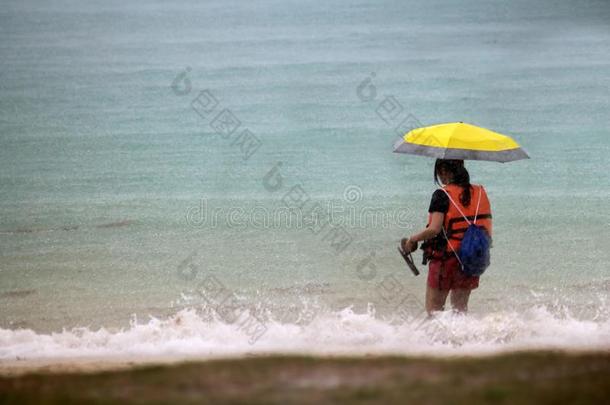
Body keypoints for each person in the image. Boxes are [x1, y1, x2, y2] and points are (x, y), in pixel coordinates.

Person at [401, 159, 492, 314]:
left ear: (443, 170)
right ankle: (462, 338)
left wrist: (412, 239)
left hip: (445, 260)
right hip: (470, 261)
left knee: (434, 313)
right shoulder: (480, 192)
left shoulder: (441, 195)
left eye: (438, 171)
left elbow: (434, 229)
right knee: (460, 311)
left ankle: (436, 339)